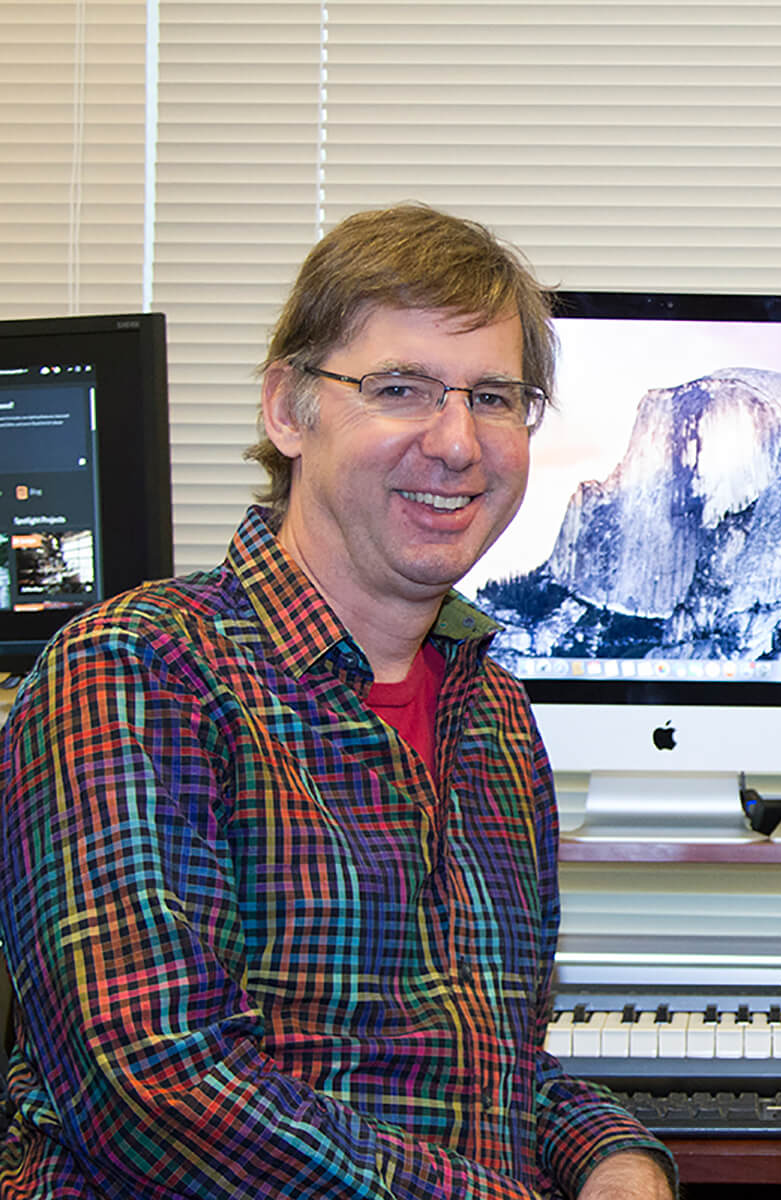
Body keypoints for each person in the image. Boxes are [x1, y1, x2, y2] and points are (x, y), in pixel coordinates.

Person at [0, 204, 675, 1199]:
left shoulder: (490, 715)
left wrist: (611, 1155)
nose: (457, 444)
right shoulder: (135, 672)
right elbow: (151, 1085)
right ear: (288, 410)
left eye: (495, 397)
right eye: (399, 388)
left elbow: (485, 1065)